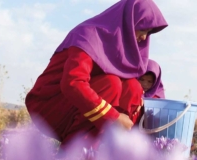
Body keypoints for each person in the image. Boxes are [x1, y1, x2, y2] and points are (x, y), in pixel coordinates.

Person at [25, 0, 168, 154]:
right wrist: (113, 118)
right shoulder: (88, 35)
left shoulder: (122, 49)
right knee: (111, 83)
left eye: (149, 32)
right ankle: (74, 153)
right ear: (129, 22)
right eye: (142, 29)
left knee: (133, 87)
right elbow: (73, 83)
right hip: (51, 104)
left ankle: (115, 152)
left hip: (82, 108)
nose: (144, 37)